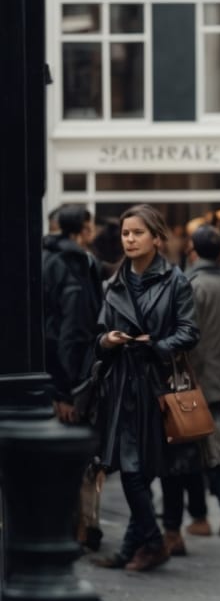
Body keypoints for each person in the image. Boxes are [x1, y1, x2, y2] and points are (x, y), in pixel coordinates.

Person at [89, 205, 200, 573]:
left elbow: (189, 332)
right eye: (125, 233)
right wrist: (108, 340)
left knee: (143, 470)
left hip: (159, 387)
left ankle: (143, 545)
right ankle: (148, 543)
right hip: (122, 387)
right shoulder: (113, 283)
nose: (130, 239)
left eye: (138, 233)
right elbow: (97, 334)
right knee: (132, 469)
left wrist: (155, 345)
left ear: (156, 237)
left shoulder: (175, 281)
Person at [43, 203, 106, 551]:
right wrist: (67, 392)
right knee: (82, 457)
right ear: (83, 227)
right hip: (73, 379)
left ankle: (74, 526)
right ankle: (82, 528)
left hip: (49, 375)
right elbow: (73, 331)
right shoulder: (76, 264)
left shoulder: (43, 258)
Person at [178, 225, 220, 540]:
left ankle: (203, 515)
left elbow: (186, 335)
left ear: (192, 248)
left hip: (194, 377)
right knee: (216, 442)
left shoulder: (191, 283)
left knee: (194, 448)